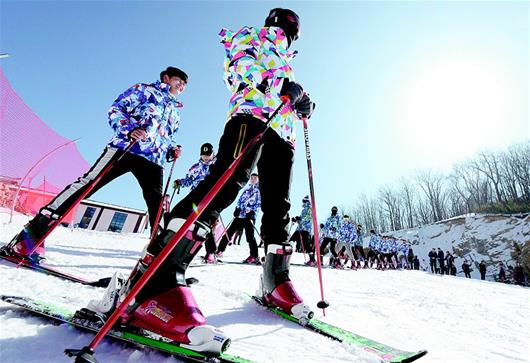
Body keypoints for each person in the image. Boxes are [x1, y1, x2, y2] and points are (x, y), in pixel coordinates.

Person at [88, 8, 314, 353]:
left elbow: (290, 90)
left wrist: (303, 103)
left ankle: (276, 280)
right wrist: (282, 86)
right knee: (227, 183)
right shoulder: (251, 36)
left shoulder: (287, 58)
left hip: (283, 133)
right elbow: (240, 67)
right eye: (286, 27)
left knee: (277, 203)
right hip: (251, 115)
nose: (286, 33)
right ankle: (157, 281)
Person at [2, 66, 187, 263]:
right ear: (166, 78)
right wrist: (129, 129)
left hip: (154, 160)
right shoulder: (144, 90)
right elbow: (116, 108)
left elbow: (166, 137)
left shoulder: (175, 110)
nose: (182, 86)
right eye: (179, 80)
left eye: (185, 84)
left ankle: (157, 255)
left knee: (157, 204)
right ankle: (31, 236)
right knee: (88, 184)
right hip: (126, 148)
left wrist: (171, 150)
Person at [214, 173, 262, 264]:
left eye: (255, 178)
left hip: (249, 216)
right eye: (252, 178)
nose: (253, 179)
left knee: (249, 237)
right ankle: (220, 251)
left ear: (258, 179)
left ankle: (254, 256)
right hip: (240, 215)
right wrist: (237, 209)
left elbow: (259, 203)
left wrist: (252, 211)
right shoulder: (247, 189)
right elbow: (240, 200)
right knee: (229, 232)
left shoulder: (259, 190)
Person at [289, 196, 314, 264]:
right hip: (300, 228)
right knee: (292, 239)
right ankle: (286, 253)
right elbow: (302, 218)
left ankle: (312, 259)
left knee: (306, 243)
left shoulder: (309, 208)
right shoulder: (304, 209)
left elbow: (308, 217)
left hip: (306, 228)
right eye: (303, 201)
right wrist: (296, 219)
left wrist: (300, 219)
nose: (303, 202)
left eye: (304, 201)